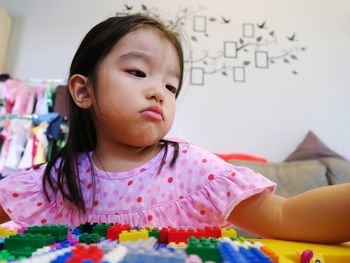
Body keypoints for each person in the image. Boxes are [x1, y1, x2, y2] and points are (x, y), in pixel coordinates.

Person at [0, 14, 349, 244]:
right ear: (82, 90)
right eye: (138, 72)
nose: (159, 93)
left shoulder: (193, 168)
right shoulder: (56, 180)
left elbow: (285, 216)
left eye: (171, 87)